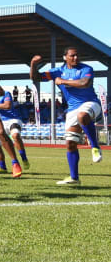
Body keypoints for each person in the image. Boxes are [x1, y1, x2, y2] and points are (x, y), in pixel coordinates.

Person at [30, 47, 104, 185]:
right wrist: (33, 64)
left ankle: (95, 147)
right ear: (65, 57)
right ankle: (74, 178)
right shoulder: (57, 71)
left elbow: (84, 83)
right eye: (72, 56)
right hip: (72, 109)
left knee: (83, 115)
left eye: (77, 55)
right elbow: (36, 77)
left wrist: (63, 81)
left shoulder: (86, 69)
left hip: (91, 103)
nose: (76, 58)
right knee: (70, 144)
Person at [0, 90, 29, 171]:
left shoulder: (5, 93)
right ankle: (2, 167)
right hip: (1, 122)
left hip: (13, 119)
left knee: (15, 135)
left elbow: (7, 105)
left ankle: (24, 158)